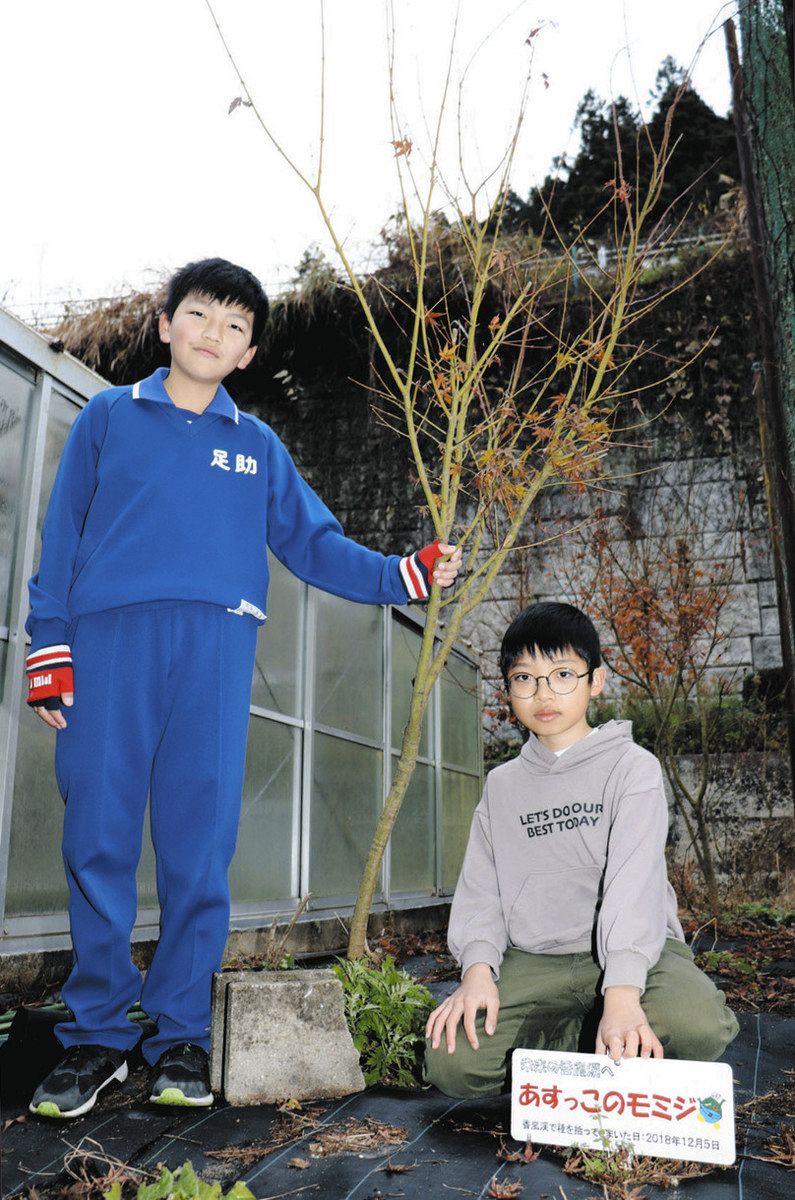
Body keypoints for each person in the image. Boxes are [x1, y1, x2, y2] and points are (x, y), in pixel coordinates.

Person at [25, 257, 462, 1118]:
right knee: (97, 843)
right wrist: (50, 646)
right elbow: (61, 535)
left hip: (216, 647)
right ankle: (97, 1041)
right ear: (165, 324)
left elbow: (314, 543)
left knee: (199, 851)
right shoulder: (110, 416)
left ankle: (181, 1033)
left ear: (248, 354)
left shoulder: (255, 447)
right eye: (198, 314)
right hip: (109, 644)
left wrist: (402, 575)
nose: (211, 333)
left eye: (232, 326)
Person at [425, 601, 738, 1097]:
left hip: (636, 953)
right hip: (536, 958)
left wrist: (620, 992)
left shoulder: (632, 767)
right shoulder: (502, 785)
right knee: (451, 1064)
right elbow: (480, 891)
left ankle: (597, 1026)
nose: (544, 693)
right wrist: (479, 971)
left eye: (563, 674)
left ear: (596, 681)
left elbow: (633, 886)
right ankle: (585, 1038)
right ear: (508, 691)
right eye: (525, 678)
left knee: (699, 1026)